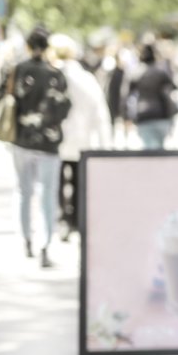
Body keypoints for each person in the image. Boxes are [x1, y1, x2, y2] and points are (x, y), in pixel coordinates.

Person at [0, 27, 72, 268]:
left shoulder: (17, 70)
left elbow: (3, 100)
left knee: (23, 191)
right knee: (47, 194)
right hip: (48, 143)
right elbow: (64, 108)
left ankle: (26, 239)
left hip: (21, 140)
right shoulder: (55, 74)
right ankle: (45, 244)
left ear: (28, 46)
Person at [49, 34, 112, 241]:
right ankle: (75, 219)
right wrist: (105, 143)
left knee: (57, 181)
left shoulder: (52, 75)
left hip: (56, 138)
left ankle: (62, 219)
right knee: (78, 180)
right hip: (81, 138)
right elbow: (99, 111)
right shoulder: (85, 77)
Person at [127, 44, 176, 150]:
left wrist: (126, 116)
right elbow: (170, 92)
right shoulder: (161, 73)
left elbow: (126, 96)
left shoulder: (136, 73)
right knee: (158, 149)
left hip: (144, 115)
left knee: (150, 149)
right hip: (161, 114)